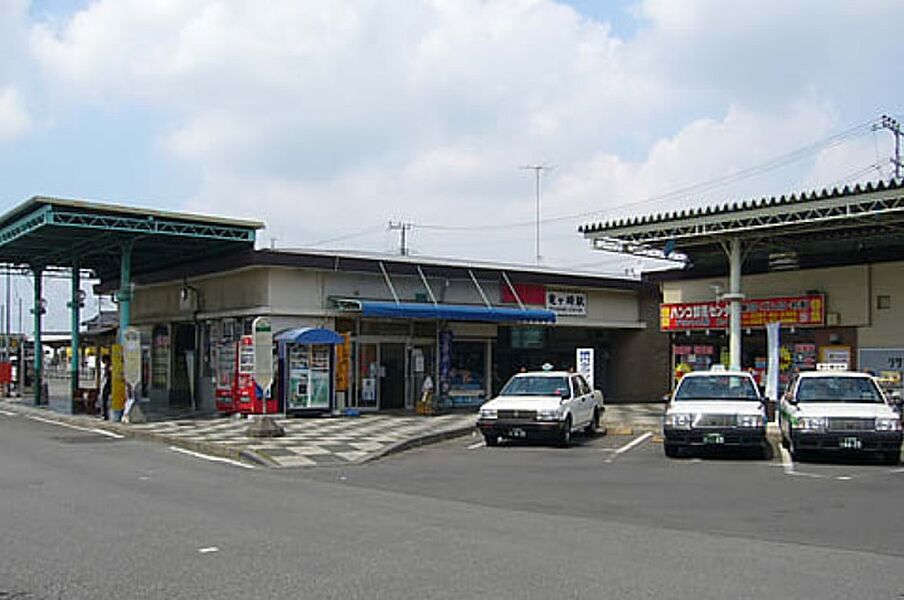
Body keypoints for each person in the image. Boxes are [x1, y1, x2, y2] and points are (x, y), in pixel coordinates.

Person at [99, 354, 111, 420]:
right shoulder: (107, 367)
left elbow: (106, 377)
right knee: (104, 400)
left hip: (107, 385)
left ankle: (104, 415)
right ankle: (104, 414)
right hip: (106, 384)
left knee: (104, 399)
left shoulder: (108, 367)